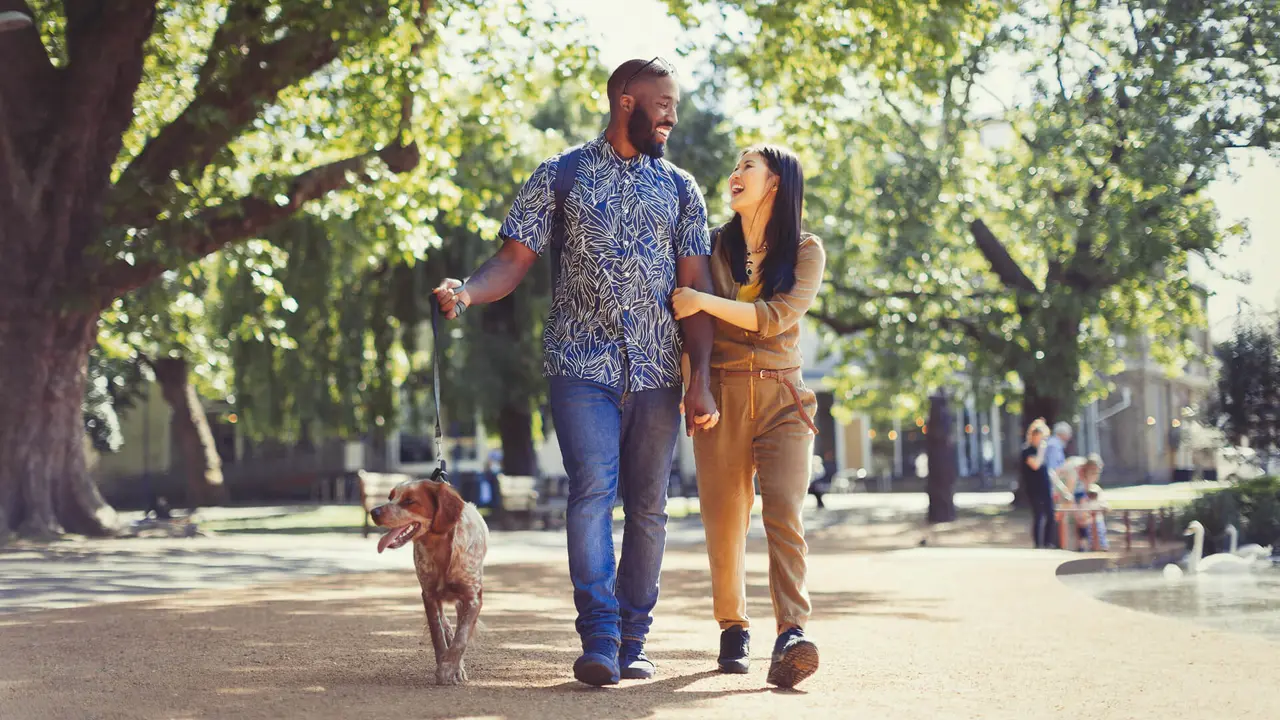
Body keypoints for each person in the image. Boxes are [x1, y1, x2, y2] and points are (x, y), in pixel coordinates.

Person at [433, 58, 719, 687]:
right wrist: (468, 293)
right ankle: (600, 638)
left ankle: (634, 639)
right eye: (662, 102)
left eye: (674, 104)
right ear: (625, 101)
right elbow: (511, 261)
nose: (671, 115)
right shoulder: (559, 176)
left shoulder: (680, 189)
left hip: (657, 369)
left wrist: (700, 379)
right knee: (591, 492)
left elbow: (694, 291)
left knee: (648, 506)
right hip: (579, 362)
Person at [671, 145, 826, 688]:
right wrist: (696, 387)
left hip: (785, 398)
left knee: (784, 514)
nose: (734, 175)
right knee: (725, 519)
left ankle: (792, 632)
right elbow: (693, 332)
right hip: (721, 394)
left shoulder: (806, 251)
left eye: (748, 167)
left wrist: (702, 301)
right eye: (734, 166)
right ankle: (733, 625)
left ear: (777, 182)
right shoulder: (713, 247)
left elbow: (775, 317)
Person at [1021, 418, 1055, 548]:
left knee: (1050, 515)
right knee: (1039, 516)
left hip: (1045, 487)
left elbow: (1048, 470)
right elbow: (1035, 465)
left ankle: (1048, 542)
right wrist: (1041, 450)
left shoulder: (1043, 452)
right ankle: (1038, 544)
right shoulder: (1027, 451)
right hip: (1034, 488)